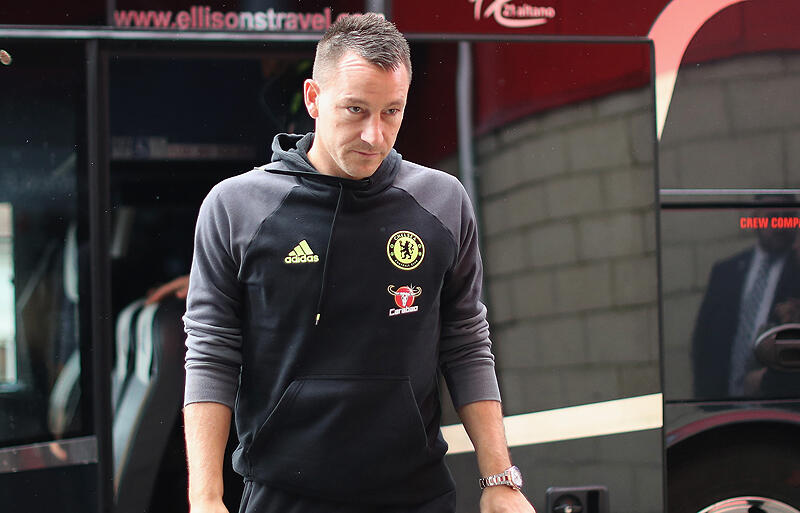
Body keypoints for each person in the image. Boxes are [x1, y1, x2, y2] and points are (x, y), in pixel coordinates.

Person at [182, 14, 535, 513]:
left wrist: (500, 480)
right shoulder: (237, 206)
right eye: (355, 109)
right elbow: (211, 353)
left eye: (392, 111)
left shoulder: (442, 200)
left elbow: (466, 341)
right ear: (313, 98)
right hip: (284, 498)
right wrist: (205, 498)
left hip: (415, 497)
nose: (374, 134)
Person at [692, 197, 800, 398]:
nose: (779, 225)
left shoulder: (797, 266)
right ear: (755, 216)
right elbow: (704, 342)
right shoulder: (726, 271)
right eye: (772, 217)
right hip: (722, 403)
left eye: (787, 218)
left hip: (777, 403)